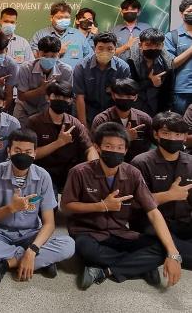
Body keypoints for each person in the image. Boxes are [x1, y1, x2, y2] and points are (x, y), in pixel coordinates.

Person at [61, 122, 182, 289]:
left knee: (162, 248)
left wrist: (173, 254)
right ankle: (141, 265)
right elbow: (66, 206)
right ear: (97, 147)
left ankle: (105, 271)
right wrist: (102, 206)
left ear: (125, 150)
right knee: (86, 251)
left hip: (120, 232)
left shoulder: (133, 173)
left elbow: (153, 212)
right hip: (88, 232)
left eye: (119, 148)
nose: (114, 151)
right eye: (108, 146)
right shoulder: (79, 172)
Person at [0, 129, 75, 285]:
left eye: (28, 152)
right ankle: (41, 261)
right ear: (8, 151)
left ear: (35, 153)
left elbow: (49, 223)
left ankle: (6, 263)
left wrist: (32, 250)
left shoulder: (43, 176)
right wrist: (10, 208)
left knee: (68, 245)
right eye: (17, 151)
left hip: (31, 233)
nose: (23, 155)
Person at [131, 111, 192, 269]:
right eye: (166, 133)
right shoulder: (141, 162)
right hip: (151, 224)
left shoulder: (191, 162)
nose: (172, 138)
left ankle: (154, 257)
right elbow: (133, 203)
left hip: (184, 222)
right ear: (156, 134)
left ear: (185, 136)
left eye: (178, 134)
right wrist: (168, 195)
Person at [27, 81, 97, 193]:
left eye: (65, 98)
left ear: (70, 101)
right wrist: (59, 143)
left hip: (69, 173)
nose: (61, 100)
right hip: (43, 173)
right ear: (47, 98)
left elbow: (90, 148)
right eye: (56, 96)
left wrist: (93, 167)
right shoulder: (34, 122)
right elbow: (31, 154)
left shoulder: (75, 123)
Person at [73, 31, 131, 126]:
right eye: (100, 48)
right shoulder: (81, 67)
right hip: (88, 113)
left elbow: (124, 97)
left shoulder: (123, 68)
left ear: (115, 49)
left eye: (109, 49)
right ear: (94, 48)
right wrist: (83, 126)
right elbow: (79, 97)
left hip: (113, 114)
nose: (105, 52)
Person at [14, 35, 73, 126]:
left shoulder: (66, 70)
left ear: (58, 54)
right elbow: (21, 96)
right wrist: (40, 91)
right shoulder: (26, 68)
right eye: (44, 55)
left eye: (53, 56)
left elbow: (66, 97)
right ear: (38, 53)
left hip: (49, 110)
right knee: (19, 131)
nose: (48, 59)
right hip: (25, 108)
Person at [90, 78, 152, 161]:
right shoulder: (102, 120)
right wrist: (125, 137)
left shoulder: (145, 119)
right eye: (120, 96)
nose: (125, 99)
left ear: (135, 97)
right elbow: (94, 148)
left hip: (138, 165)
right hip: (109, 164)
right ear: (113, 95)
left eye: (129, 96)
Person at [30, 2, 92, 69]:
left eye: (66, 17)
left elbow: (90, 57)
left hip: (74, 75)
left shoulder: (78, 35)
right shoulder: (40, 35)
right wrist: (57, 53)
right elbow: (35, 61)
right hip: (49, 75)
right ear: (51, 18)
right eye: (60, 18)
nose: (63, 20)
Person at [127, 28, 174, 115]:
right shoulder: (130, 60)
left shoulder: (167, 63)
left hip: (157, 108)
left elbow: (169, 90)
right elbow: (128, 87)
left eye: (157, 45)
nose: (153, 48)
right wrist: (150, 82)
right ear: (140, 45)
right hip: (134, 108)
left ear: (162, 45)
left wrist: (167, 110)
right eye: (148, 45)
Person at [165, 0, 192, 114]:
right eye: (189, 11)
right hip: (182, 91)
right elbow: (171, 64)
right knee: (180, 123)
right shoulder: (172, 36)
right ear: (181, 14)